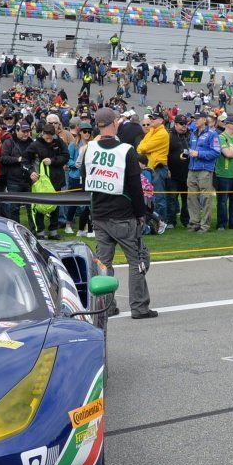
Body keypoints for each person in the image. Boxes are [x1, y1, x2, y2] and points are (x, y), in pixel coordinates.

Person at [81, 107, 154, 319]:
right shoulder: (126, 150)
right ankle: (139, 307)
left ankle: (107, 305)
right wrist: (141, 214)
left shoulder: (90, 149)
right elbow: (135, 185)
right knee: (138, 260)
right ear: (114, 123)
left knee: (104, 264)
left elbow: (86, 180)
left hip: (100, 214)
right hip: (123, 214)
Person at [185, 113, 218, 231]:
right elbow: (192, 150)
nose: (195, 121)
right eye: (194, 119)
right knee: (192, 197)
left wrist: (199, 154)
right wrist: (186, 154)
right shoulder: (193, 134)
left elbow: (216, 153)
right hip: (192, 168)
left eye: (197, 119)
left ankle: (205, 225)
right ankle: (195, 223)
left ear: (204, 120)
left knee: (205, 198)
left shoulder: (212, 134)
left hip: (204, 169)